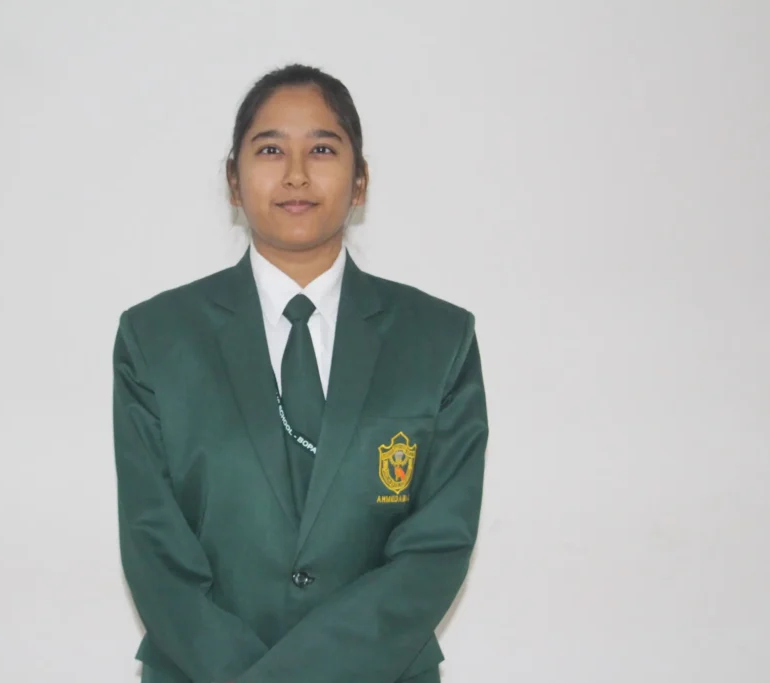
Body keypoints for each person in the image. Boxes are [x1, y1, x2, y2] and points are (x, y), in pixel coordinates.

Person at [112, 63, 488, 683]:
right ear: (233, 182)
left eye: (322, 149)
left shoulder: (438, 339)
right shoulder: (155, 338)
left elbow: (435, 548)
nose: (295, 173)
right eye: (269, 150)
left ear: (360, 181)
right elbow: (154, 548)